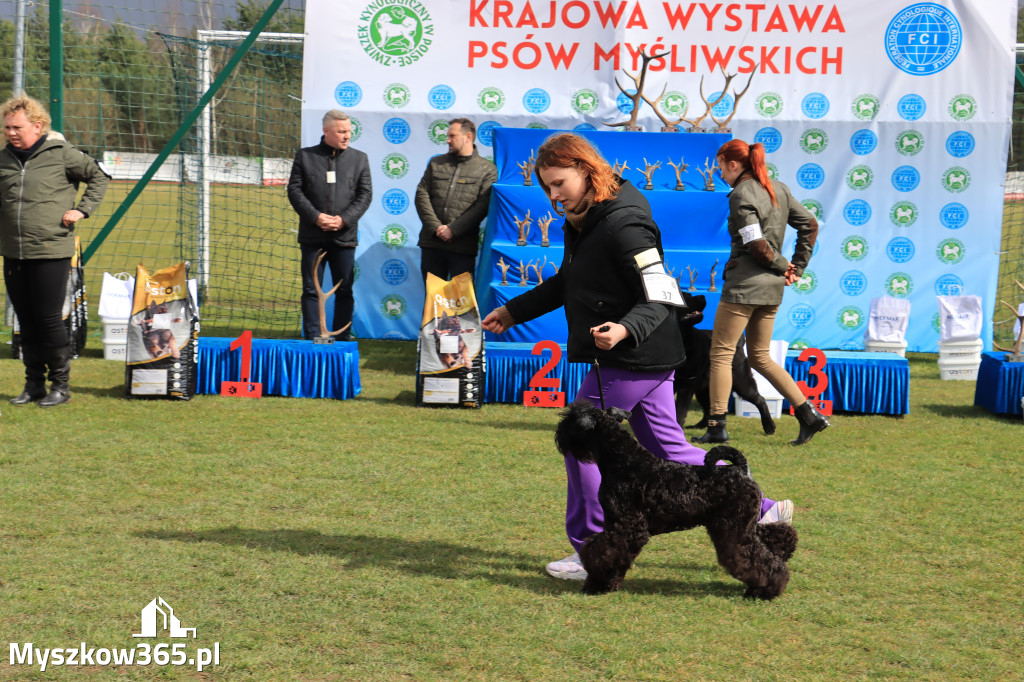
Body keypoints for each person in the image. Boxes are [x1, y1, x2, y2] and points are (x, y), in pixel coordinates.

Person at [482, 133, 793, 581]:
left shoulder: (625, 222)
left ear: (587, 171)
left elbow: (661, 292)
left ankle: (590, 547)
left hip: (633, 354)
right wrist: (515, 311)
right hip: (647, 353)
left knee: (582, 445)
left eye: (559, 183)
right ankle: (764, 507)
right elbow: (569, 279)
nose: (553, 195)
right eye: (546, 187)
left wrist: (627, 327)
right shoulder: (582, 215)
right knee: (666, 447)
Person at [694, 139, 829, 446]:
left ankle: (716, 425)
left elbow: (755, 244)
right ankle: (808, 414)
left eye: (720, 168)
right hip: (771, 290)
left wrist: (786, 267)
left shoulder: (742, 193)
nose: (720, 175)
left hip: (744, 286)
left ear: (733, 164)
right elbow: (809, 224)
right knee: (759, 357)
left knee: (721, 352)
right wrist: (797, 266)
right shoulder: (778, 188)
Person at [1, 94, 109, 407]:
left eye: (17, 127)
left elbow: (98, 176)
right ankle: (33, 385)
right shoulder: (3, 159)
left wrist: (82, 210)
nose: (10, 132)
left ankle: (60, 386)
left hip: (51, 249)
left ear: (37, 125)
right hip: (13, 251)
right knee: (26, 320)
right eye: (7, 127)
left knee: (48, 319)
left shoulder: (61, 153)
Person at [287, 110, 372, 340]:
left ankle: (342, 338)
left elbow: (365, 196)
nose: (347, 136)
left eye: (349, 132)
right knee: (311, 289)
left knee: (344, 289)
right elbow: (294, 191)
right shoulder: (305, 156)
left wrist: (343, 219)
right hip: (313, 237)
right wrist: (315, 217)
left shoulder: (359, 158)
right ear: (326, 131)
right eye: (341, 132)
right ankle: (313, 337)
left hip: (344, 238)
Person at [415, 118, 497, 281]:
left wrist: (453, 230)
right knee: (433, 302)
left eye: (452, 136)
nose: (447, 140)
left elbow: (482, 206)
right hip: (431, 245)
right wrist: (436, 227)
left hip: (462, 249)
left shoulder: (487, 170)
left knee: (461, 303)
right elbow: (421, 194)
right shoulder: (436, 163)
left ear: (467, 136)